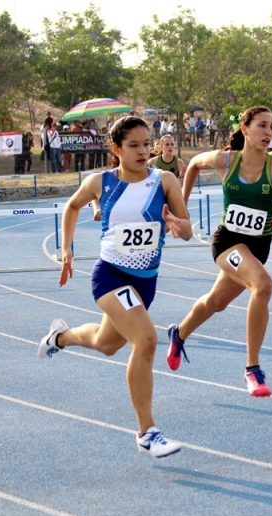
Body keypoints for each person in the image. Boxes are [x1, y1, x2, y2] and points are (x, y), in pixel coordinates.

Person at [36, 116, 193, 458]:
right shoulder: (101, 182)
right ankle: (147, 432)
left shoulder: (165, 181)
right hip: (110, 276)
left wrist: (175, 223)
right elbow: (72, 206)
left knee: (106, 344)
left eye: (145, 144)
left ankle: (60, 337)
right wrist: (66, 250)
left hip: (146, 282)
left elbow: (189, 229)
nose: (142, 151)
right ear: (116, 148)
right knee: (147, 339)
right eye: (133, 145)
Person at [165, 106, 272, 397]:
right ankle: (252, 370)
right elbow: (193, 164)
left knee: (216, 302)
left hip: (257, 248)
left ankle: (178, 334)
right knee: (263, 285)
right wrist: (181, 208)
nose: (269, 132)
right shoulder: (226, 160)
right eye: (262, 126)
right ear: (245, 129)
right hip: (228, 242)